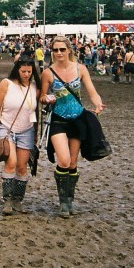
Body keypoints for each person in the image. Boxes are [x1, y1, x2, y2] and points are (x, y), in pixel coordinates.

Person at [40, 36, 105, 218]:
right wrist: (46, 98)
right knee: (64, 160)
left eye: (62, 49)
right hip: (59, 119)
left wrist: (98, 103)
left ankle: (69, 199)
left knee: (73, 162)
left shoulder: (80, 69)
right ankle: (62, 202)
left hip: (77, 119)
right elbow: (41, 95)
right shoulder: (48, 73)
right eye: (55, 50)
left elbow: (92, 92)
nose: (59, 53)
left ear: (69, 50)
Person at [0, 56, 38, 215]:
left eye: (29, 71)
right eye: (23, 71)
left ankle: (18, 199)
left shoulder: (34, 87)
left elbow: (36, 111)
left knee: (22, 167)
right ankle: (7, 200)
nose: (26, 74)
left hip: (27, 130)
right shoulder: (6, 84)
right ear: (17, 69)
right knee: (11, 163)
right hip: (7, 127)